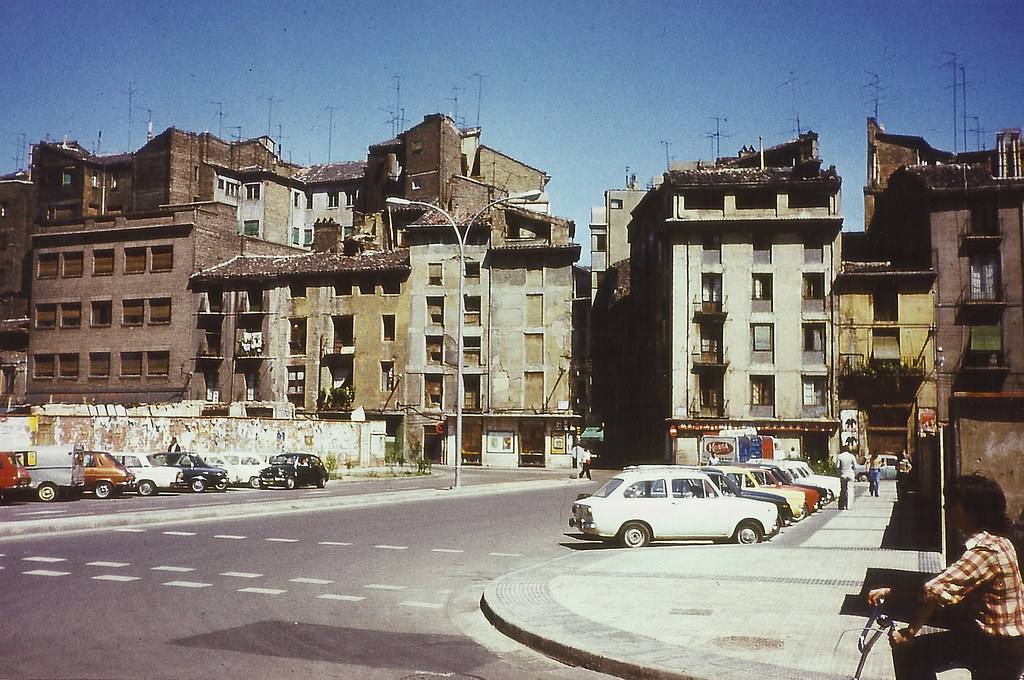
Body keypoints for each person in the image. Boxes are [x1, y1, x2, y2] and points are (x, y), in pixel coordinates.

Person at [867, 473, 1024, 680]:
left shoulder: (985, 552)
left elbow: (934, 590)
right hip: (989, 640)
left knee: (911, 652)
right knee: (918, 653)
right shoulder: (999, 541)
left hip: (999, 650)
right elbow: (945, 577)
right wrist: (892, 591)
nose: (944, 508)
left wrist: (910, 633)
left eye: (949, 503)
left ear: (966, 509)